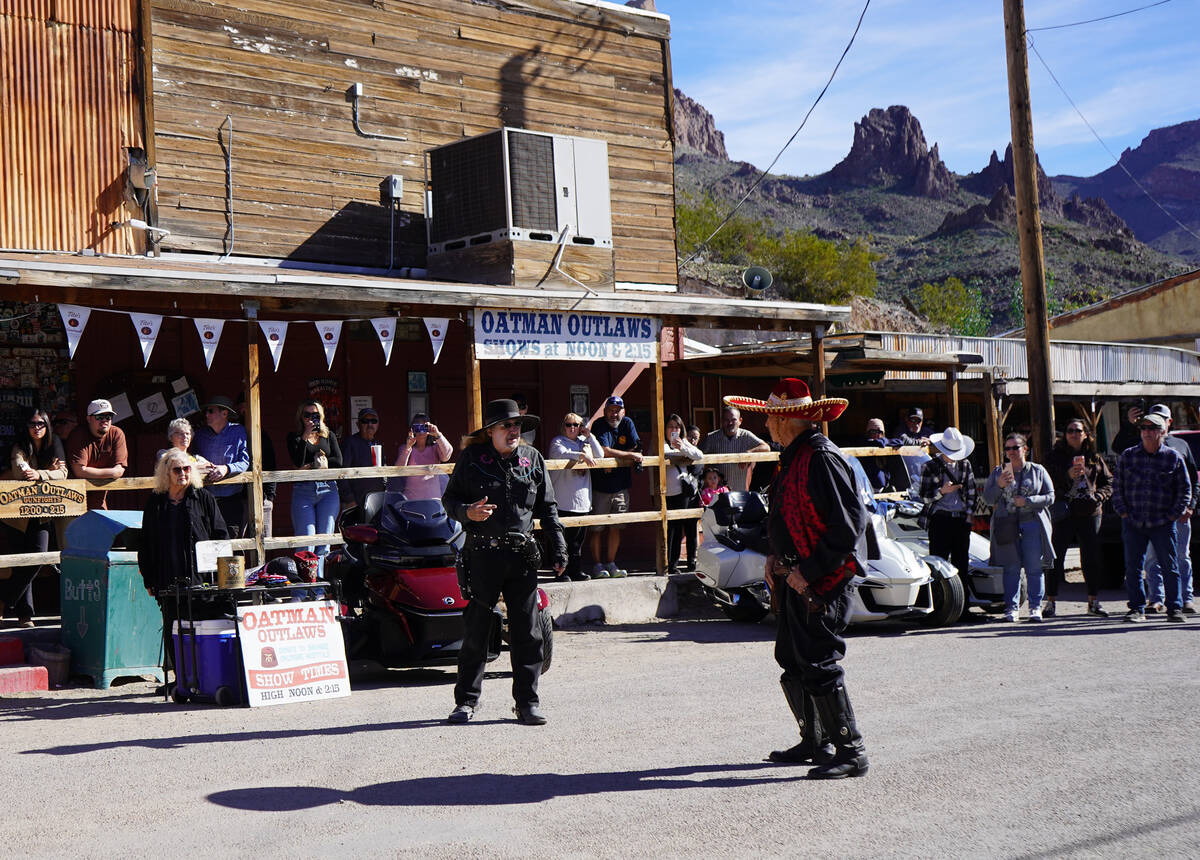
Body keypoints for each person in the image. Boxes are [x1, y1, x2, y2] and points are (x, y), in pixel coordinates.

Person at [724, 378, 869, 779]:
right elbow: (786, 514)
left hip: (821, 579)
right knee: (792, 659)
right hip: (794, 576)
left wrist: (810, 571)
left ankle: (850, 749)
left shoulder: (822, 457)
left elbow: (849, 525)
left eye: (771, 416)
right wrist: (774, 556)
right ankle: (815, 739)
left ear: (788, 418)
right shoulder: (793, 455)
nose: (767, 424)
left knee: (820, 661)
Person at [442, 399, 566, 725]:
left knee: (528, 633)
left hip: (522, 557)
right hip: (483, 555)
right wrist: (467, 512)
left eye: (517, 426)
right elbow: (449, 500)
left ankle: (527, 704)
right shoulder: (471, 459)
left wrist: (560, 549)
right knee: (476, 633)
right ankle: (466, 702)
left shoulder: (532, 459)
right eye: (506, 426)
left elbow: (549, 509)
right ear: (491, 431)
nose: (513, 431)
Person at [1112, 410, 1191, 623]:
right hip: (1134, 521)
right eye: (1144, 428)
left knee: (1170, 566)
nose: (1146, 432)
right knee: (1133, 567)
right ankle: (1137, 608)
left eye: (1152, 428)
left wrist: (1173, 515)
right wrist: (1123, 511)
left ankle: (1174, 608)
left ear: (1162, 431)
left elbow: (1185, 489)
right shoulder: (1128, 456)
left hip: (1162, 522)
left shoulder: (1172, 457)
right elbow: (1117, 486)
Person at [1, 409, 67, 627]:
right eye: (32, 424)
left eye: (41, 424)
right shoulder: (20, 445)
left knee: (39, 557)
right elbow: (20, 471)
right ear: (26, 426)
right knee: (21, 562)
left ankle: (4, 598)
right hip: (16, 514)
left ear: (47, 425)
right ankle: (25, 615)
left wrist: (41, 474)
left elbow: (63, 474)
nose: (36, 428)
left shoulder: (54, 442)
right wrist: (46, 471)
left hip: (42, 511)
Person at [982, 433, 1055, 623]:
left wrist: (1028, 501)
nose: (1012, 452)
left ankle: (1035, 607)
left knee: (1034, 568)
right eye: (1008, 448)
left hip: (1032, 523)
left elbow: (1051, 496)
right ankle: (1011, 609)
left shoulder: (1037, 470)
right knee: (1011, 569)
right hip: (1007, 524)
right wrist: (998, 485)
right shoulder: (999, 472)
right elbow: (988, 499)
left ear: (1025, 449)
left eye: (1016, 447)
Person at [1044, 419, 1113, 617]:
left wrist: (1099, 496)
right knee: (1055, 557)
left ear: (1085, 434)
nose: (1074, 433)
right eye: (1070, 430)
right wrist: (1067, 475)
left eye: (1078, 430)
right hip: (1064, 512)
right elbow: (1046, 480)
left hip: (1089, 512)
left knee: (1091, 558)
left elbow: (1109, 481)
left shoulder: (1094, 457)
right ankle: (1050, 603)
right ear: (1064, 435)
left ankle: (1093, 602)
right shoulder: (1055, 457)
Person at [138, 448, 228, 594]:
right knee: (172, 616)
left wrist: (221, 577)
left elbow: (221, 537)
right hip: (166, 581)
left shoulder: (204, 498)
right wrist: (148, 580)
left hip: (201, 582)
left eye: (186, 469)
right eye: (177, 470)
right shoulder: (155, 502)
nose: (182, 473)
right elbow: (145, 543)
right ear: (167, 473)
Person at [1142, 404, 1197, 615]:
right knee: (1152, 557)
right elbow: (1119, 446)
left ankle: (1186, 599)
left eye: (1160, 419)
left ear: (1169, 421)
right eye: (1151, 420)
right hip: (1154, 514)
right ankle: (1156, 599)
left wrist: (1190, 506)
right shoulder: (1144, 445)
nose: (1155, 425)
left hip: (1180, 513)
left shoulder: (1180, 445)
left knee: (1182, 556)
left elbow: (1193, 481)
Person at [589, 395, 642, 578]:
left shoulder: (627, 423)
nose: (614, 414)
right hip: (600, 486)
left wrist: (624, 456)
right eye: (610, 410)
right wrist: (628, 455)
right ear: (605, 411)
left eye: (617, 410)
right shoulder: (599, 425)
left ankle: (611, 563)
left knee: (616, 527)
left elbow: (637, 447)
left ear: (623, 411)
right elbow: (603, 450)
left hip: (621, 485)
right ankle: (597, 565)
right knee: (596, 527)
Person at [287, 400, 342, 576]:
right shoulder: (295, 437)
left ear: (321, 416)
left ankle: (318, 588)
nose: (311, 418)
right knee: (307, 541)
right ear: (301, 417)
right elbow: (297, 461)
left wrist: (319, 465)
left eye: (315, 415)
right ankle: (302, 589)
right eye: (307, 415)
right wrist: (305, 437)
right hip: (304, 489)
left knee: (324, 541)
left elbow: (338, 462)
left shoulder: (329, 435)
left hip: (328, 489)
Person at [918, 428, 977, 590]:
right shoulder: (929, 467)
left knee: (962, 564)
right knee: (938, 563)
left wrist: (969, 515)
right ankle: (940, 607)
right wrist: (941, 492)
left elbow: (972, 492)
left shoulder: (965, 464)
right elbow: (924, 497)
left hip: (961, 520)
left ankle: (963, 608)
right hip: (940, 520)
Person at [547, 413, 603, 582]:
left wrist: (589, 436)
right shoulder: (557, 441)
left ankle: (575, 571)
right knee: (560, 542)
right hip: (562, 501)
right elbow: (561, 454)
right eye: (568, 424)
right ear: (563, 426)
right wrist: (582, 455)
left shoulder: (584, 443)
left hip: (582, 501)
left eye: (576, 425)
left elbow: (599, 454)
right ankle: (560, 573)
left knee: (577, 542)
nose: (572, 428)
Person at [192, 395, 249, 537]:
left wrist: (226, 469)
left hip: (231, 498)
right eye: (206, 412)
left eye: (211, 411)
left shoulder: (238, 431)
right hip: (205, 498)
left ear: (224, 413)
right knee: (207, 540)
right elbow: (191, 459)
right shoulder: (199, 435)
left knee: (231, 540)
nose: (206, 415)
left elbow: (245, 462)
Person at [68, 398, 128, 510]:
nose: (105, 420)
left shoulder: (117, 433)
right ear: (89, 419)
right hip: (74, 496)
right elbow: (79, 471)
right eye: (99, 417)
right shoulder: (78, 434)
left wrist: (89, 471)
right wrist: (112, 472)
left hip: (100, 497)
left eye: (108, 417)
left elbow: (119, 471)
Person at [663, 413, 703, 574]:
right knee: (671, 529)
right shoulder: (662, 443)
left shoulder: (683, 442)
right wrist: (681, 451)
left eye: (677, 427)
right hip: (666, 492)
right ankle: (670, 564)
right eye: (671, 427)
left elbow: (699, 455)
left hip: (682, 492)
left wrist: (683, 447)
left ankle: (688, 561)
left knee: (683, 528)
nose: (674, 430)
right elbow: (667, 455)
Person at [701, 405, 770, 492]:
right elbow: (697, 456)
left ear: (740, 421)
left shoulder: (746, 435)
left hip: (740, 492)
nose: (730, 423)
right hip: (717, 494)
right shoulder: (711, 438)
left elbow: (766, 447)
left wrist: (748, 453)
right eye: (726, 420)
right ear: (722, 421)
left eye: (733, 420)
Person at [394, 412, 453, 500]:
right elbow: (398, 470)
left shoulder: (435, 447)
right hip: (411, 500)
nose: (421, 430)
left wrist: (438, 435)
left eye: (424, 427)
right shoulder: (405, 448)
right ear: (412, 429)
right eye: (417, 427)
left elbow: (447, 455)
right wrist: (408, 448)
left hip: (433, 500)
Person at [340, 407, 386, 510]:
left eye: (373, 421)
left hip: (376, 500)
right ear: (358, 424)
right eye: (365, 421)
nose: (370, 424)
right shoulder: (350, 443)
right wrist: (349, 499)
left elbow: (383, 471)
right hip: (355, 502)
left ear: (378, 425)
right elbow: (342, 472)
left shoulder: (377, 444)